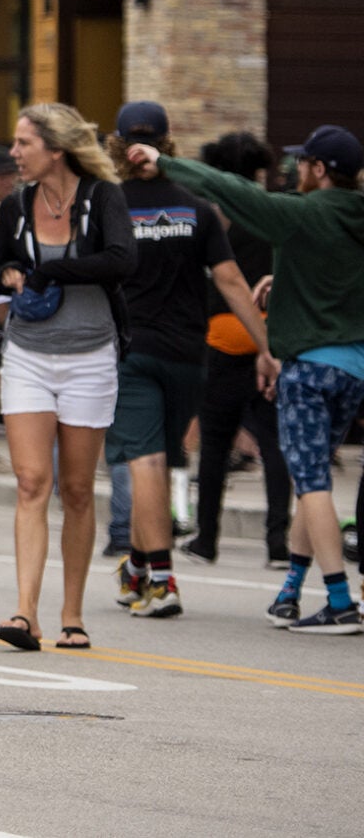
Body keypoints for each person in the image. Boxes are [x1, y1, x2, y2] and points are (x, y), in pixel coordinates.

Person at [138, 124, 364, 633]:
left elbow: (231, 189)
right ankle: (290, 592)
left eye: (303, 162)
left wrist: (165, 162)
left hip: (310, 368)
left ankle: (338, 600)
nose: (295, 170)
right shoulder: (356, 216)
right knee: (311, 481)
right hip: (355, 369)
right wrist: (282, 282)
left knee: (312, 483)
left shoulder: (302, 213)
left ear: (320, 170)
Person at [103, 103, 268, 619]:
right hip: (189, 358)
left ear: (118, 145)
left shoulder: (108, 205)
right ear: (168, 144)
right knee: (161, 459)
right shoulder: (196, 208)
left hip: (131, 353)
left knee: (145, 461)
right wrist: (267, 348)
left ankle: (161, 579)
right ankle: (136, 567)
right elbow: (232, 281)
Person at [0, 104, 135, 653]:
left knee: (76, 489)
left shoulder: (102, 198)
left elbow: (122, 261)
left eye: (24, 143)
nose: (14, 153)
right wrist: (9, 273)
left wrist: (51, 270)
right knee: (31, 483)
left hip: (89, 357)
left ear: (56, 149)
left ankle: (72, 614)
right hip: (27, 354)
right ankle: (25, 612)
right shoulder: (15, 205)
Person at [186, 131, 291, 565]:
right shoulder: (274, 212)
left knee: (214, 445)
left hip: (221, 337)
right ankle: (277, 542)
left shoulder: (213, 214)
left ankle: (206, 539)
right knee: (274, 444)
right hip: (269, 338)